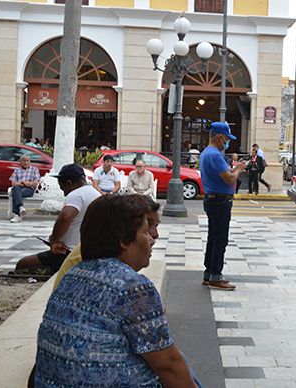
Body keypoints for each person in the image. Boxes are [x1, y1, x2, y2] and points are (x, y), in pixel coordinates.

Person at [34, 195, 201, 387]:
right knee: (177, 363)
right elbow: (168, 365)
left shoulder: (74, 274)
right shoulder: (131, 287)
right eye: (147, 231)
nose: (153, 238)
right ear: (124, 240)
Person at [53, 197, 161, 290]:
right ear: (124, 236)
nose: (154, 237)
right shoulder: (132, 288)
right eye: (147, 227)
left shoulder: (81, 268)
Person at [14, 164, 100, 275]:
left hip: (68, 252)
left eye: (63, 188)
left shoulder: (76, 195)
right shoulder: (96, 194)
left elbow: (64, 217)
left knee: (23, 264)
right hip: (89, 250)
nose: (64, 193)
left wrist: (54, 241)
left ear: (69, 183)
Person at [199, 122, 246, 291]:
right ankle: (216, 277)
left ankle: (209, 273)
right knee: (220, 239)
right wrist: (239, 169)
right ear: (219, 137)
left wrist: (234, 169)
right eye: (226, 139)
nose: (227, 142)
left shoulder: (207, 153)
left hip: (213, 200)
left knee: (213, 237)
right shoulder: (215, 155)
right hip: (220, 201)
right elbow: (230, 179)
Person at [8, 154, 41, 223]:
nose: (26, 163)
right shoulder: (17, 170)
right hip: (19, 187)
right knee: (16, 188)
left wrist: (30, 183)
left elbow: (36, 182)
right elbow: (13, 182)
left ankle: (17, 216)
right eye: (24, 161)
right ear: (20, 162)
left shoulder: (34, 169)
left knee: (15, 192)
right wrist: (22, 183)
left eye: (27, 161)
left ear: (30, 162)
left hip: (29, 189)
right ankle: (20, 207)